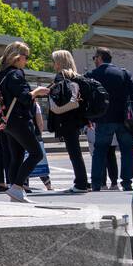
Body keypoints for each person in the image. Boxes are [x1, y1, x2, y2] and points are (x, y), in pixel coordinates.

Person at [0, 41, 49, 203]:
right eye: (26, 57)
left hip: (6, 122)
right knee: (36, 153)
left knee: (16, 156)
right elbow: (25, 98)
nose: (27, 61)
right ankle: (17, 187)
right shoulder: (16, 74)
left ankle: (15, 191)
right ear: (17, 57)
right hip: (19, 120)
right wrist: (37, 91)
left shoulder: (0, 75)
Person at [85, 47, 133, 191]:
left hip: (103, 119)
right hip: (124, 120)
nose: (94, 61)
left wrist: (88, 117)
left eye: (94, 58)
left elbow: (87, 99)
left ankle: (97, 184)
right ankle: (127, 182)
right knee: (126, 150)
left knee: (100, 151)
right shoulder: (124, 73)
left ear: (99, 57)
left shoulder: (92, 75)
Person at [46, 50, 91, 192]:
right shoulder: (75, 76)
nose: (53, 64)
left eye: (54, 61)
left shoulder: (61, 76)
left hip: (66, 119)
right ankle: (81, 181)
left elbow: (59, 98)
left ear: (59, 62)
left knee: (74, 152)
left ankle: (81, 183)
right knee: (75, 151)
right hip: (76, 119)